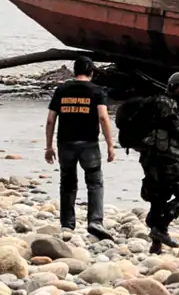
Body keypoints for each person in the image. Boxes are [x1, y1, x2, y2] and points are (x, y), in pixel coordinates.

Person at [44, 56, 116, 240]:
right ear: (91, 72)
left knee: (67, 183)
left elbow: (51, 119)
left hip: (65, 143)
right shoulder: (97, 91)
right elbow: (103, 118)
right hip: (89, 144)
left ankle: (67, 225)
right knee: (95, 182)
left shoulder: (61, 90)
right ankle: (95, 221)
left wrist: (48, 146)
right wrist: (110, 144)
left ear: (74, 71)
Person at [138, 72, 179, 253]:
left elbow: (175, 134)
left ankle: (156, 243)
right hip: (159, 158)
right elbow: (171, 126)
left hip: (165, 157)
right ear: (172, 88)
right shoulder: (164, 103)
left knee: (160, 196)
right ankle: (159, 224)